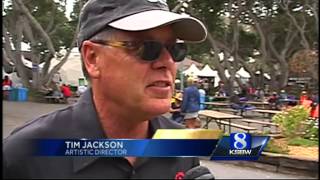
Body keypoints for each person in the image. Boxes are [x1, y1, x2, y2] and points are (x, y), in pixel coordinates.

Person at [3, 0, 213, 179]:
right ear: (93, 58)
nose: (166, 62)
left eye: (175, 49)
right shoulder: (25, 155)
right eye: (146, 47)